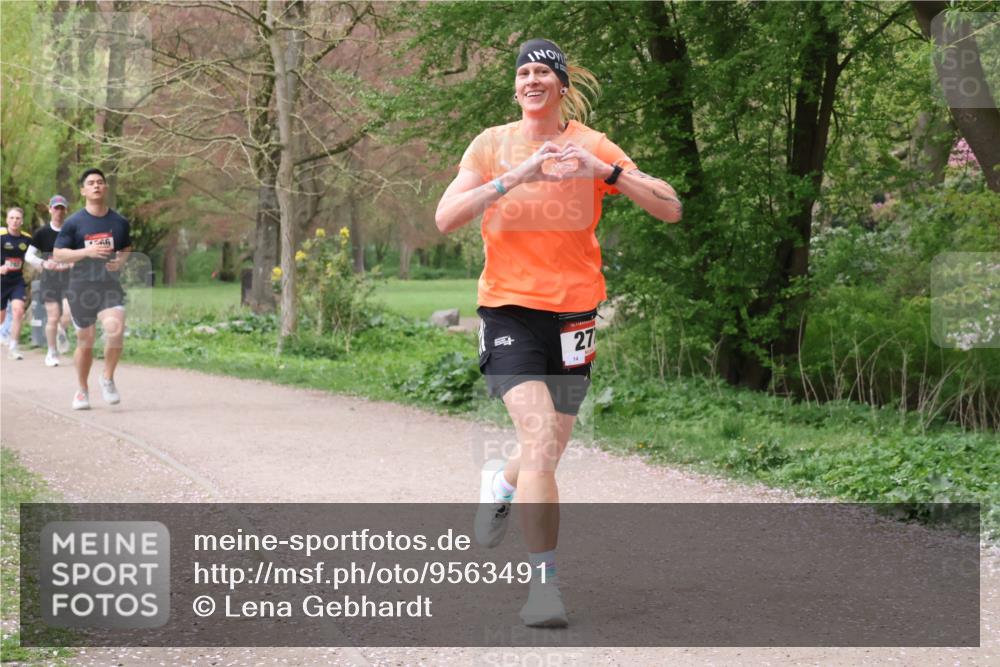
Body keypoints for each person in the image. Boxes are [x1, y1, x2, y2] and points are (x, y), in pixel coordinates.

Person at [435, 38, 682, 628]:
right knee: (541, 436)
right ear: (515, 87)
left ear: (562, 86)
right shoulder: (492, 144)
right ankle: (543, 588)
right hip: (508, 311)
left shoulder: (592, 147)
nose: (531, 79)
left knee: (546, 452)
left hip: (574, 318)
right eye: (523, 72)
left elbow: (671, 207)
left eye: (543, 71)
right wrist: (514, 176)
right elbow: (446, 217)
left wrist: (608, 172)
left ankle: (500, 481)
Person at [53, 168, 132, 410]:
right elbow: (58, 253)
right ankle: (82, 389)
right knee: (85, 341)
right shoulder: (74, 223)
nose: (96, 186)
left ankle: (107, 378)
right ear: (83, 190)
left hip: (109, 285)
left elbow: (127, 246)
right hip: (81, 287)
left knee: (115, 329)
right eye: (91, 183)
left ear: (105, 187)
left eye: (100, 182)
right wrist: (86, 252)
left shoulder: (119, 222)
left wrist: (120, 261)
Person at [26, 195, 74, 366]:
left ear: (66, 210)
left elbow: (80, 254)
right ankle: (51, 352)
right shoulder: (42, 233)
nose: (59, 211)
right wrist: (44, 263)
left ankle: (61, 330)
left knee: (68, 314)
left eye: (62, 208)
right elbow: (29, 256)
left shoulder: (71, 231)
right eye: (56, 208)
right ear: (50, 209)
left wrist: (72, 263)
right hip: (50, 280)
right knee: (53, 317)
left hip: (69, 280)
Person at [1, 207, 32, 360]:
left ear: (22, 221)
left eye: (17, 218)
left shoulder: (27, 239)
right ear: (7, 220)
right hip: (1, 281)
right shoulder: (0, 236)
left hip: (16, 281)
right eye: (12, 218)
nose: (14, 221)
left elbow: (35, 255)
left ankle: (13, 347)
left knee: (18, 311)